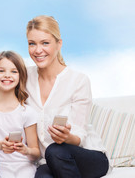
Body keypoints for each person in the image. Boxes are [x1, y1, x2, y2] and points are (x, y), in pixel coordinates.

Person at [25, 15, 110, 178]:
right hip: (48, 161)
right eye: (32, 43)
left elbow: (79, 135)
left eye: (45, 43)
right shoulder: (24, 78)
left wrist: (67, 137)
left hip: (87, 156)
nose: (37, 50)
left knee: (55, 150)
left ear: (59, 44)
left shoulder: (78, 80)